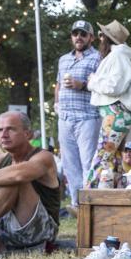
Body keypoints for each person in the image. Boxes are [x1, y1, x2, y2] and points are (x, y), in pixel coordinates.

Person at [0, 112, 60, 253]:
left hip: (40, 232)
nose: (4, 135)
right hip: (3, 229)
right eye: (0, 130)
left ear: (28, 134)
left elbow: (17, 175)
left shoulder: (44, 157)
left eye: (11, 129)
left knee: (13, 177)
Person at [83, 20, 131, 189]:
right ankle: (112, 197)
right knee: (113, 156)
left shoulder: (117, 57)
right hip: (119, 115)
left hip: (115, 114)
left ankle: (88, 195)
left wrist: (93, 81)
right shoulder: (120, 57)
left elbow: (113, 87)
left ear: (108, 39)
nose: (100, 38)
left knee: (103, 155)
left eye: (102, 35)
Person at [55, 20, 102, 213]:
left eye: (83, 34)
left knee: (88, 162)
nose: (79, 37)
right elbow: (58, 84)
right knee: (69, 163)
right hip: (65, 117)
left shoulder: (99, 58)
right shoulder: (63, 59)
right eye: (75, 34)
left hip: (87, 117)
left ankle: (90, 204)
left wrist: (81, 85)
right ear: (71, 37)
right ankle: (76, 204)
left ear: (91, 37)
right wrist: (56, 103)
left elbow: (103, 88)